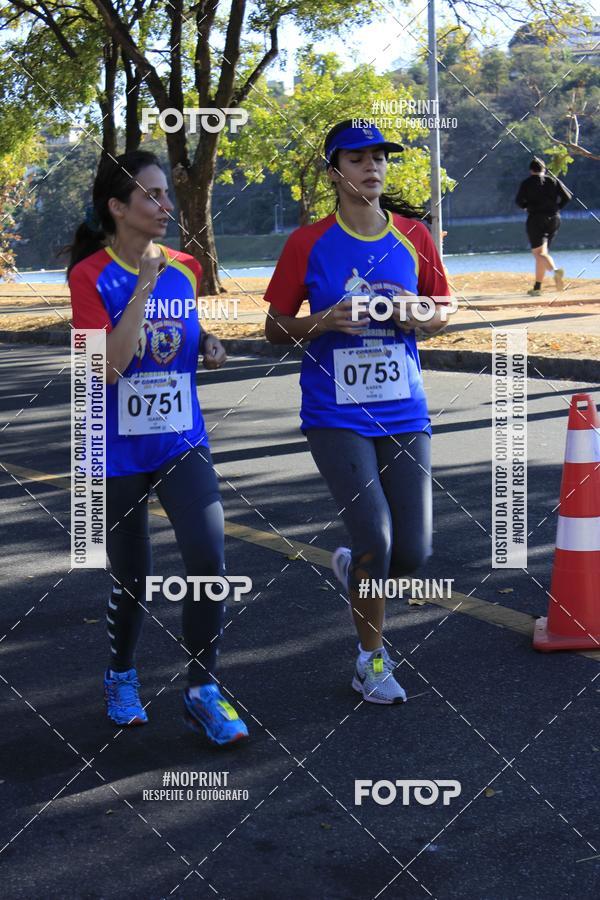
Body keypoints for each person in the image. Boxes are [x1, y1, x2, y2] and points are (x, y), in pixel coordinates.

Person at [263, 120, 455, 704]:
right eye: (357, 158)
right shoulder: (308, 243)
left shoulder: (415, 236)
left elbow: (443, 310)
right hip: (335, 414)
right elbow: (273, 328)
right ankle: (370, 660)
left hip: (404, 410)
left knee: (413, 554)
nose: (372, 167)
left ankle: (355, 568)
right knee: (375, 536)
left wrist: (413, 312)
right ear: (335, 172)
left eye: (379, 157)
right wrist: (325, 319)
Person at [67, 150, 248, 746]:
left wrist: (211, 343)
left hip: (180, 440)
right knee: (135, 578)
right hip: (114, 449)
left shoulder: (187, 268)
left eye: (166, 193)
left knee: (209, 562)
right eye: (151, 195)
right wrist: (142, 285)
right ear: (118, 207)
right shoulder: (90, 275)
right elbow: (108, 369)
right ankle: (121, 673)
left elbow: (181, 336)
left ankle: (203, 690)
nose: (165, 205)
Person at [515, 157, 572, 296]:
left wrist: (526, 207)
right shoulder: (553, 180)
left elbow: (518, 201)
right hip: (554, 218)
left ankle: (556, 271)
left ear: (531, 170)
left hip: (536, 219)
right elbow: (568, 196)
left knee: (538, 253)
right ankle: (537, 287)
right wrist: (557, 207)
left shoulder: (527, 183)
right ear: (544, 169)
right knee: (542, 253)